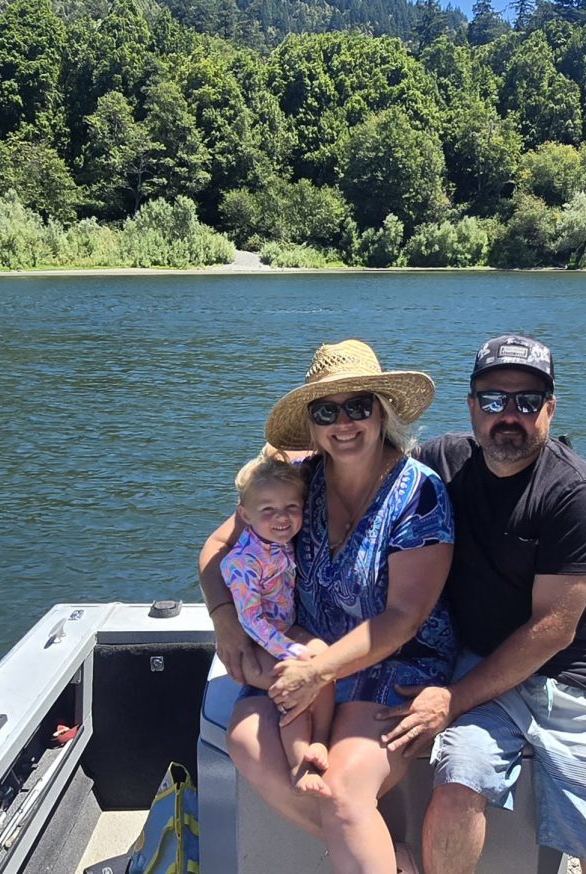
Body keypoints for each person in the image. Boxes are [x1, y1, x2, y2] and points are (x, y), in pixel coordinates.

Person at [377, 335, 586, 874]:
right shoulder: (442, 463)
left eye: (526, 402)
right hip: (483, 666)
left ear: (549, 408)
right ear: (472, 407)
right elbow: (360, 465)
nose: (509, 416)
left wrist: (449, 701)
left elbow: (553, 629)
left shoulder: (577, 493)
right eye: (494, 400)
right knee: (454, 788)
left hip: (579, 682)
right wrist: (291, 468)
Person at [198, 339, 457, 874]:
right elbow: (217, 550)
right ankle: (390, 859)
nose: (344, 423)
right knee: (246, 740)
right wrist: (226, 622)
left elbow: (403, 617)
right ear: (312, 425)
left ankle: (375, 854)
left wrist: (319, 671)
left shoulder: (419, 493)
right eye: (326, 411)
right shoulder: (298, 480)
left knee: (341, 791)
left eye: (358, 406)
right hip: (303, 647)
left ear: (382, 412)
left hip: (392, 660)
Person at [218, 448, 334, 795]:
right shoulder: (241, 562)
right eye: (267, 511)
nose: (281, 518)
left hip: (286, 626)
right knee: (292, 681)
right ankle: (300, 764)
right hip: (261, 639)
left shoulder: (278, 541)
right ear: (245, 515)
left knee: (324, 660)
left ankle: (321, 740)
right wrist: (288, 649)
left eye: (291, 508)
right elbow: (250, 620)